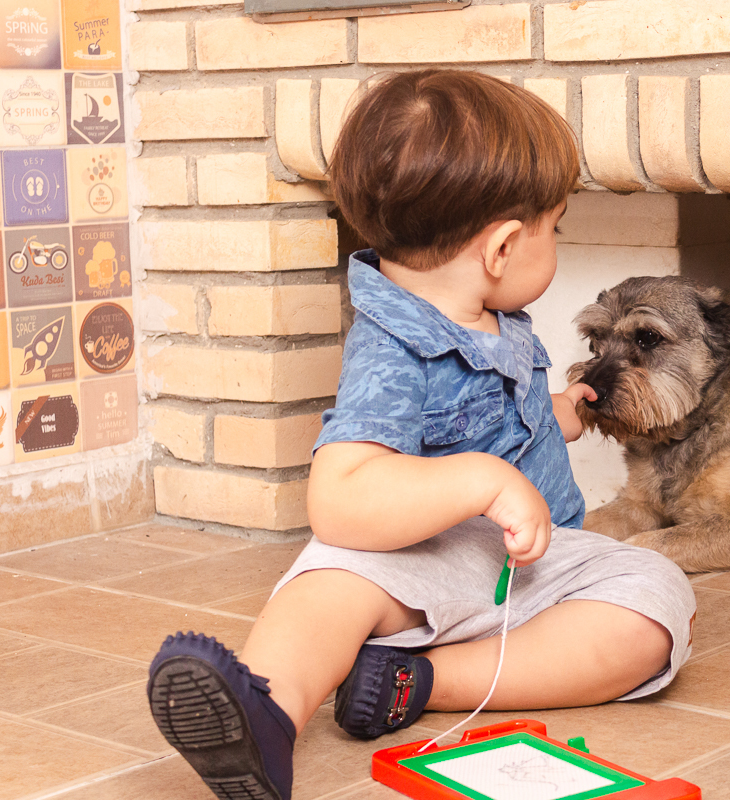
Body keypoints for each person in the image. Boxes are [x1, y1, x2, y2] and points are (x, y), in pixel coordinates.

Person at [146, 69, 696, 800]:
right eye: (554, 226)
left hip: (537, 563)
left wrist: (568, 408)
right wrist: (482, 480)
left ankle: (415, 679)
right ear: (501, 249)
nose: (554, 240)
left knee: (656, 601)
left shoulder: (497, 322)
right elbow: (340, 498)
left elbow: (512, 425)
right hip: (420, 563)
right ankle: (267, 716)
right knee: (330, 582)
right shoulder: (392, 348)